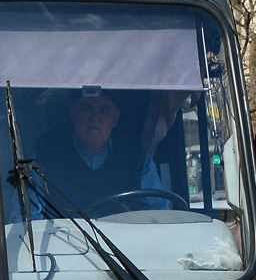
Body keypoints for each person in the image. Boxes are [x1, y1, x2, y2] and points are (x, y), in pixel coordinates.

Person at [28, 87, 164, 217]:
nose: (95, 117)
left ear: (115, 119)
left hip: (123, 240)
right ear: (73, 113)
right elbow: (26, 217)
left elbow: (159, 213)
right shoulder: (43, 157)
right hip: (63, 240)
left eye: (104, 110)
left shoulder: (138, 160)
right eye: (87, 108)